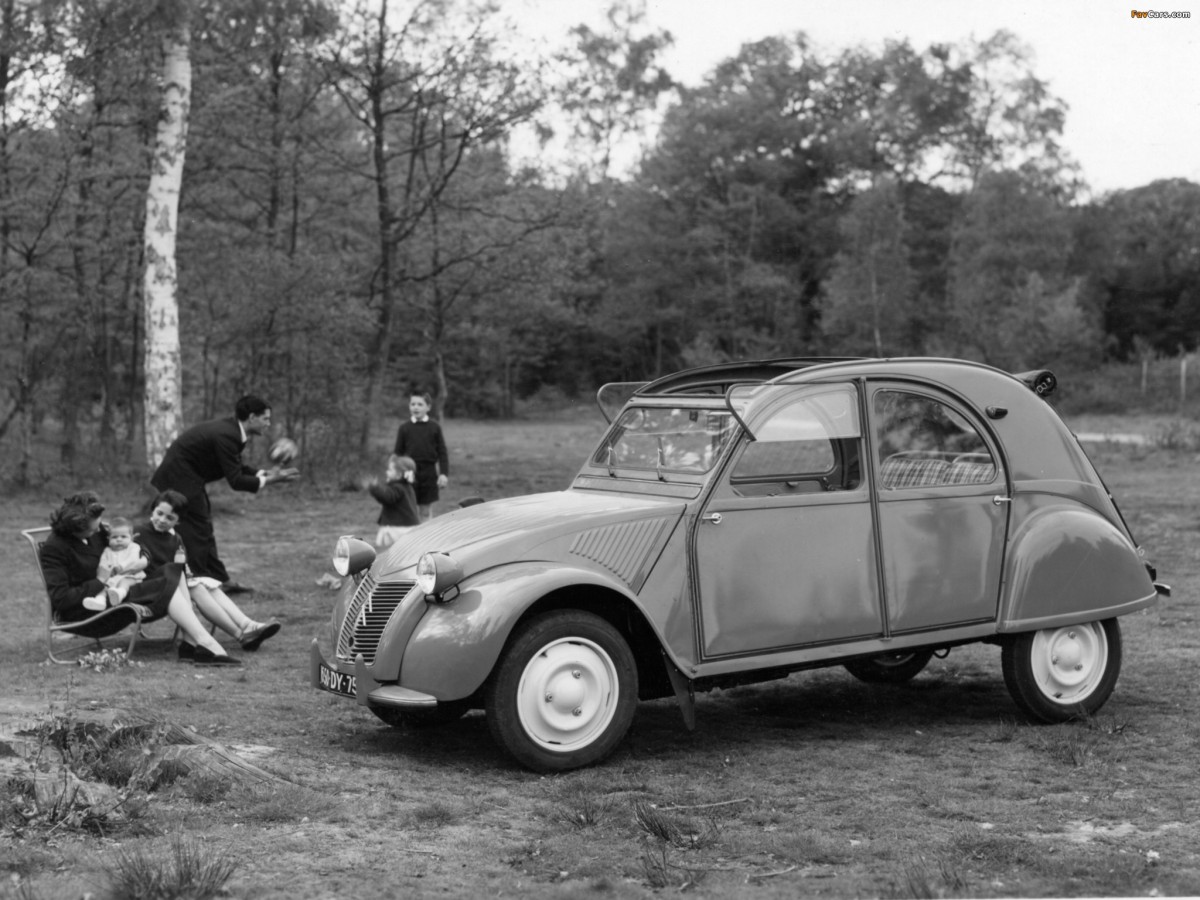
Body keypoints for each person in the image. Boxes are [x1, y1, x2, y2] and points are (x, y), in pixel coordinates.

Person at [40, 492, 241, 666]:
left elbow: (131, 542)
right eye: (93, 530)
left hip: (118, 590)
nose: (99, 531)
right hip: (90, 611)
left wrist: (142, 558)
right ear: (75, 529)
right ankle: (200, 645)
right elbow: (61, 598)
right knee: (167, 579)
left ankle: (196, 643)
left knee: (172, 569)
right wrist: (100, 581)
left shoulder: (96, 529)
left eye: (98, 526)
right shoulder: (54, 549)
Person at [150, 394, 298, 593]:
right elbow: (236, 481)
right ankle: (200, 582)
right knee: (197, 531)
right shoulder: (228, 435)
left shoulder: (232, 431)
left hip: (187, 477)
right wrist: (272, 480)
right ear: (252, 417)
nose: (268, 424)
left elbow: (235, 466)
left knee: (203, 528)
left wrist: (265, 474)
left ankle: (219, 580)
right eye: (266, 419)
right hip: (178, 478)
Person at [135, 490, 281, 657]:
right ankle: (241, 633)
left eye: (169, 518)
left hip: (173, 585)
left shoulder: (176, 539)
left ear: (178, 521)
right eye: (159, 513)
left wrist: (188, 577)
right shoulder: (138, 532)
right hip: (149, 588)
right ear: (152, 510)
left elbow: (182, 567)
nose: (162, 520)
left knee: (207, 585)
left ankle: (247, 626)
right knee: (196, 588)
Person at [393, 392, 449, 521]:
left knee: (425, 510)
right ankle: (411, 539)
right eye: (413, 404)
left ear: (428, 407)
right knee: (409, 509)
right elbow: (398, 454)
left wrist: (443, 474)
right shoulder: (404, 428)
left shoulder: (434, 427)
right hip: (409, 473)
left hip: (428, 473)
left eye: (420, 404)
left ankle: (426, 538)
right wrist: (397, 474)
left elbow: (442, 452)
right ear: (409, 406)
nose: (416, 407)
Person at [364, 454, 421, 547]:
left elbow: (387, 497)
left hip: (396, 529)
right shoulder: (407, 487)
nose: (387, 472)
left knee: (388, 551)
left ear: (399, 474)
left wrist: (375, 488)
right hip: (408, 526)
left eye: (390, 470)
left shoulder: (397, 488)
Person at [97, 516, 147, 601]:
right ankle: (99, 599)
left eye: (123, 537)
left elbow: (133, 559)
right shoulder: (107, 550)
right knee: (104, 586)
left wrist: (121, 566)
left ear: (131, 538)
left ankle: (120, 593)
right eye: (114, 537)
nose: (119, 540)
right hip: (112, 577)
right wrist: (105, 570)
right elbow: (103, 562)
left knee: (124, 582)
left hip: (131, 576)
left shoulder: (133, 547)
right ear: (108, 539)